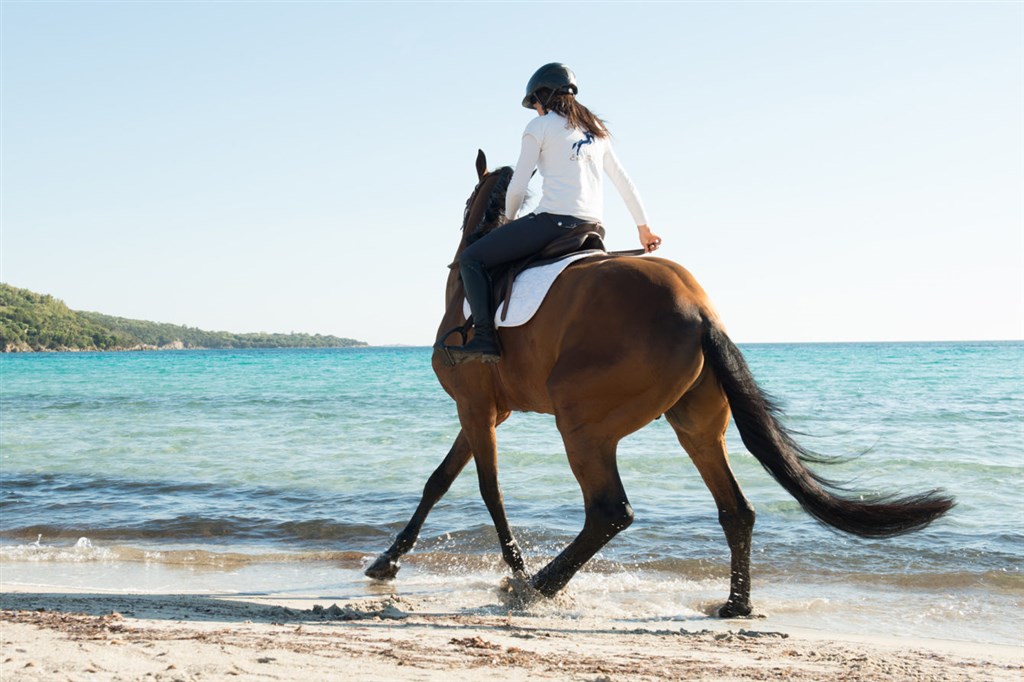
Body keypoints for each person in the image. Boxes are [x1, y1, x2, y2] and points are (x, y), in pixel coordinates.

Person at [450, 62, 662, 364]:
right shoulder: (597, 131)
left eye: (535, 103)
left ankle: (484, 337)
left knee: (472, 259)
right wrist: (644, 228)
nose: (536, 110)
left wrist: (508, 222)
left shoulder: (539, 126)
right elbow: (623, 181)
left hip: (553, 223)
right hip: (592, 229)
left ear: (544, 97)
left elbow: (518, 187)